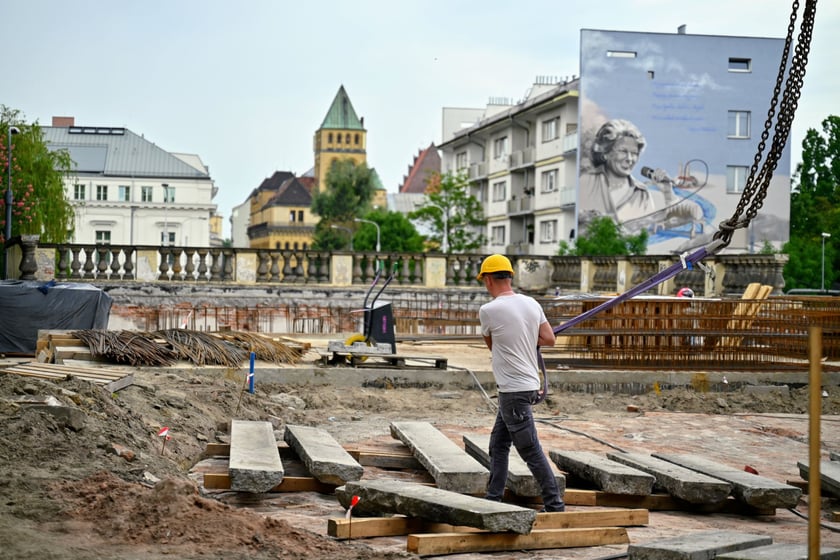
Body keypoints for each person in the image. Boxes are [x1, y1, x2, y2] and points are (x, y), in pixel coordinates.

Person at [476, 254, 565, 512]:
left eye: (484, 280)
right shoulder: (531, 303)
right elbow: (549, 339)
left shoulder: (488, 311)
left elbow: (493, 347)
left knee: (530, 450)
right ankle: (493, 498)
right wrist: (527, 336)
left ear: (489, 279)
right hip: (524, 385)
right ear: (510, 277)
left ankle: (555, 504)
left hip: (513, 391)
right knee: (498, 445)